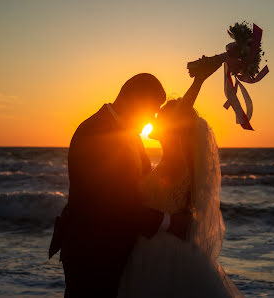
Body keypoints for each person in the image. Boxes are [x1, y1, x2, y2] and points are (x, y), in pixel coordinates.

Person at [48, 73, 191, 297]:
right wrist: (169, 222)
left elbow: (144, 185)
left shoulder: (129, 133)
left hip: (114, 249)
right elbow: (114, 203)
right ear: (135, 99)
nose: (153, 117)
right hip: (91, 252)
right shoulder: (96, 132)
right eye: (152, 108)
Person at [117, 57, 245, 297]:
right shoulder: (166, 162)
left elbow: (182, 114)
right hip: (151, 249)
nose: (155, 117)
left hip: (163, 256)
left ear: (174, 126)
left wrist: (199, 81)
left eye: (161, 115)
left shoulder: (177, 162)